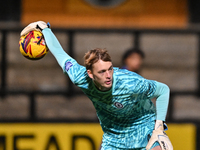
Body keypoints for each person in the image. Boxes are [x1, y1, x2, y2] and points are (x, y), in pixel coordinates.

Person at [20, 21, 173, 150]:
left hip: (144, 128)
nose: (108, 76)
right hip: (114, 139)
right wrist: (44, 29)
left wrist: (158, 126)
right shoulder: (80, 77)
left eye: (110, 69)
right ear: (90, 74)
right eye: (102, 72)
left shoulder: (130, 82)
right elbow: (60, 54)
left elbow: (163, 90)